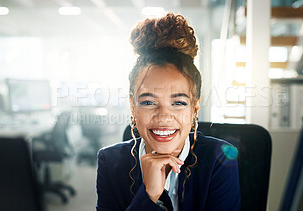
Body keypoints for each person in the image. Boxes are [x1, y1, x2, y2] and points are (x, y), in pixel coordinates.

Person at [96, 13, 241, 211]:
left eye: (178, 103)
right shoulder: (110, 161)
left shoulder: (218, 159)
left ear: (195, 108)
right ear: (132, 106)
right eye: (148, 102)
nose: (164, 116)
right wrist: (149, 195)